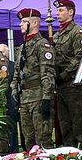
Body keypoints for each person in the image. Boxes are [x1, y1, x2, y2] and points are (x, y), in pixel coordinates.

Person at [11, 8, 55, 148]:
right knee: (28, 140)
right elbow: (17, 72)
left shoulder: (42, 45)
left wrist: (47, 98)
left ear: (35, 23)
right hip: (24, 98)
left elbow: (47, 73)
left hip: (38, 96)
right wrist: (14, 92)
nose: (20, 25)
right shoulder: (23, 46)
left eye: (24, 22)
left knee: (43, 139)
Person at [53, 0, 82, 149]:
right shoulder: (56, 36)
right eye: (57, 11)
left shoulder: (78, 32)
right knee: (65, 128)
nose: (57, 13)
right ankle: (70, 157)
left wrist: (64, 75)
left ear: (71, 12)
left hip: (75, 86)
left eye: (61, 10)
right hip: (61, 88)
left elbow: (80, 58)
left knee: (80, 128)